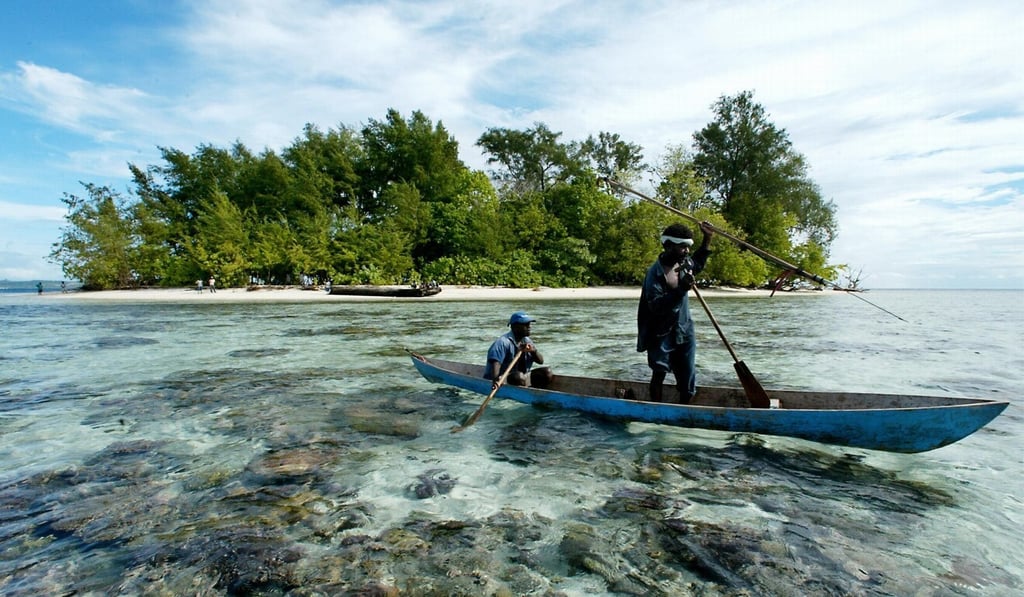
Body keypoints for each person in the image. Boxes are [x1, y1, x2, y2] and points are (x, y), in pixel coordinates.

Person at [636, 221, 715, 404]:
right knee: (659, 373)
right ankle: (655, 412)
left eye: (688, 247)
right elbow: (657, 306)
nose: (686, 251)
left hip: (684, 328)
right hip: (661, 332)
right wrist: (681, 290)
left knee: (687, 375)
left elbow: (699, 262)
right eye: (682, 247)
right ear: (668, 245)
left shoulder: (685, 263)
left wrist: (707, 237)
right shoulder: (654, 274)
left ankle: (684, 412)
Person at [485, 311, 553, 389]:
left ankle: (535, 392)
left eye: (529, 324)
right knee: (519, 376)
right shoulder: (503, 342)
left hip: (522, 377)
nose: (529, 327)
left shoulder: (527, 341)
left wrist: (533, 351)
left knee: (547, 372)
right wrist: (495, 380)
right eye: (525, 325)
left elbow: (541, 361)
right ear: (514, 327)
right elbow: (496, 363)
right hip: (502, 378)